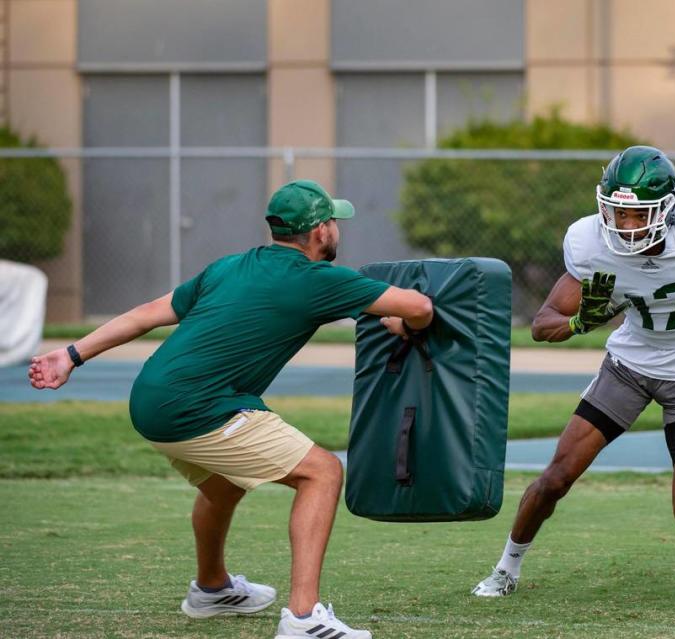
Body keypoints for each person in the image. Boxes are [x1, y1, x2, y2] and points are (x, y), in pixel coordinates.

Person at [29, 179, 429, 639]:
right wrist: (404, 322)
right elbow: (420, 305)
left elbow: (144, 312)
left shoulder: (229, 267)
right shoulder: (317, 280)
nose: (338, 228)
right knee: (321, 472)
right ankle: (303, 619)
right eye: (334, 221)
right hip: (198, 406)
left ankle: (212, 588)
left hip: (150, 400)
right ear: (320, 231)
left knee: (222, 487)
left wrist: (71, 355)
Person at [472, 145, 675, 597]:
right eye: (616, 213)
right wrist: (577, 322)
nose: (625, 227)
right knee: (556, 477)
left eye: (638, 215)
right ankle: (506, 569)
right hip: (627, 368)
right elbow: (542, 323)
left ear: (669, 209)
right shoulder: (591, 245)